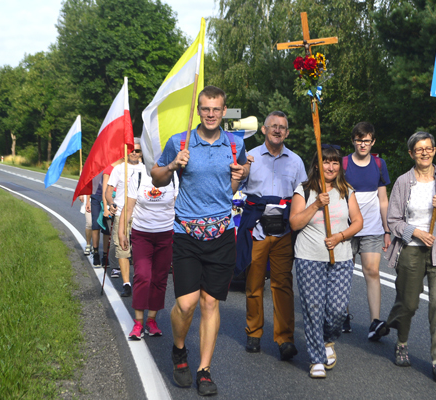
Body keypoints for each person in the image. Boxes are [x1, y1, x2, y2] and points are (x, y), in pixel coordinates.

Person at [151, 86, 249, 396]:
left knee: (210, 303)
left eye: (216, 109)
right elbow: (156, 176)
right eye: (205, 109)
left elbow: (239, 176)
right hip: (186, 234)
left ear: (223, 111)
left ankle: (204, 369)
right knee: (186, 303)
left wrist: (241, 173)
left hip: (221, 233)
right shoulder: (180, 142)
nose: (210, 114)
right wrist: (172, 165)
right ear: (199, 109)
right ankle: (179, 348)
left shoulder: (234, 144)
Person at [384, 131, 436, 382]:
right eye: (419, 149)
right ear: (411, 153)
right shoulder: (403, 182)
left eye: (429, 148)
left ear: (435, 151)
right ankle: (402, 342)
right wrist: (415, 231)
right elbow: (393, 220)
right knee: (409, 303)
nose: (425, 152)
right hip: (411, 249)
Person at [236, 110, 307, 360]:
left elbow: (302, 195)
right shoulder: (250, 157)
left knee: (282, 284)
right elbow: (235, 185)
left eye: (282, 127)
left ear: (287, 133)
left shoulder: (296, 161)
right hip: (256, 226)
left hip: (284, 228)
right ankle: (254, 332)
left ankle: (285, 338)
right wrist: (240, 171)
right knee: (254, 283)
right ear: (264, 130)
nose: (277, 130)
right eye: (273, 126)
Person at [289, 145, 363, 379]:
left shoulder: (346, 191)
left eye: (334, 162)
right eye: (326, 162)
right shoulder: (304, 190)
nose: (330, 167)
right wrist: (316, 205)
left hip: (340, 257)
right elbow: (294, 223)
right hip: (309, 256)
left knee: (338, 309)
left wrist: (340, 236)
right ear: (317, 165)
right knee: (313, 309)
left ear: (339, 167)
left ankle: (328, 339)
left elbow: (358, 222)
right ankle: (316, 358)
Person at [118, 164, 178, 340]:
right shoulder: (138, 176)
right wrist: (122, 231)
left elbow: (178, 205)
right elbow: (128, 208)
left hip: (166, 234)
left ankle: (151, 320)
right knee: (143, 276)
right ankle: (138, 323)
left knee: (159, 278)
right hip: (142, 234)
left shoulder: (173, 177)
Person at [343, 122, 391, 339]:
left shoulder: (379, 164)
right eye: (359, 140)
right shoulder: (343, 164)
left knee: (372, 271)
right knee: (343, 273)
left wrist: (387, 229)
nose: (363, 144)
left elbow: (383, 200)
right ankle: (341, 314)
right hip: (346, 227)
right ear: (353, 140)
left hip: (372, 228)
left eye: (367, 140)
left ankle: (375, 321)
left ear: (373, 142)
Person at [106, 138, 144, 297]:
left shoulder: (147, 169)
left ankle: (140, 279)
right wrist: (111, 203)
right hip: (122, 212)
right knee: (122, 249)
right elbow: (109, 191)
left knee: (140, 250)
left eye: (138, 151)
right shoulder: (119, 169)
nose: (134, 153)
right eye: (132, 150)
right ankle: (126, 283)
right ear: (126, 151)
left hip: (142, 215)